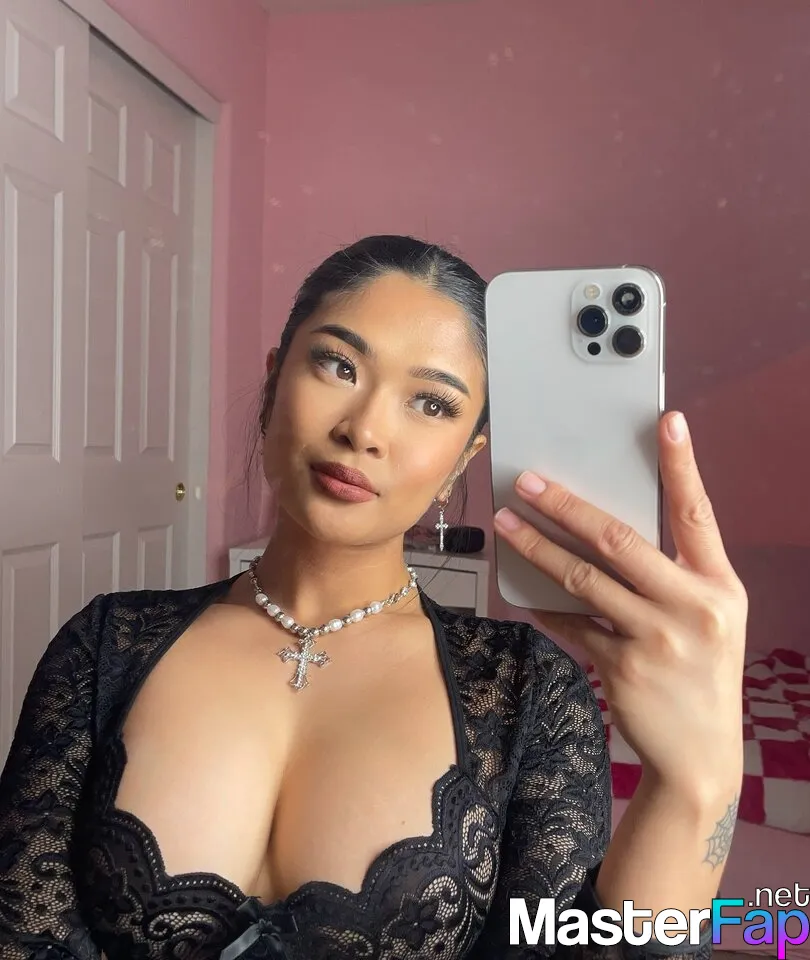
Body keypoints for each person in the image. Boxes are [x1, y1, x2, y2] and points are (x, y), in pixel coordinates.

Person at [0, 235, 747, 960]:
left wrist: (695, 780)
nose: (364, 430)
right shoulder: (103, 647)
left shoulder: (528, 694)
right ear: (273, 383)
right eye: (339, 364)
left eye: (432, 404)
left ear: (463, 460)